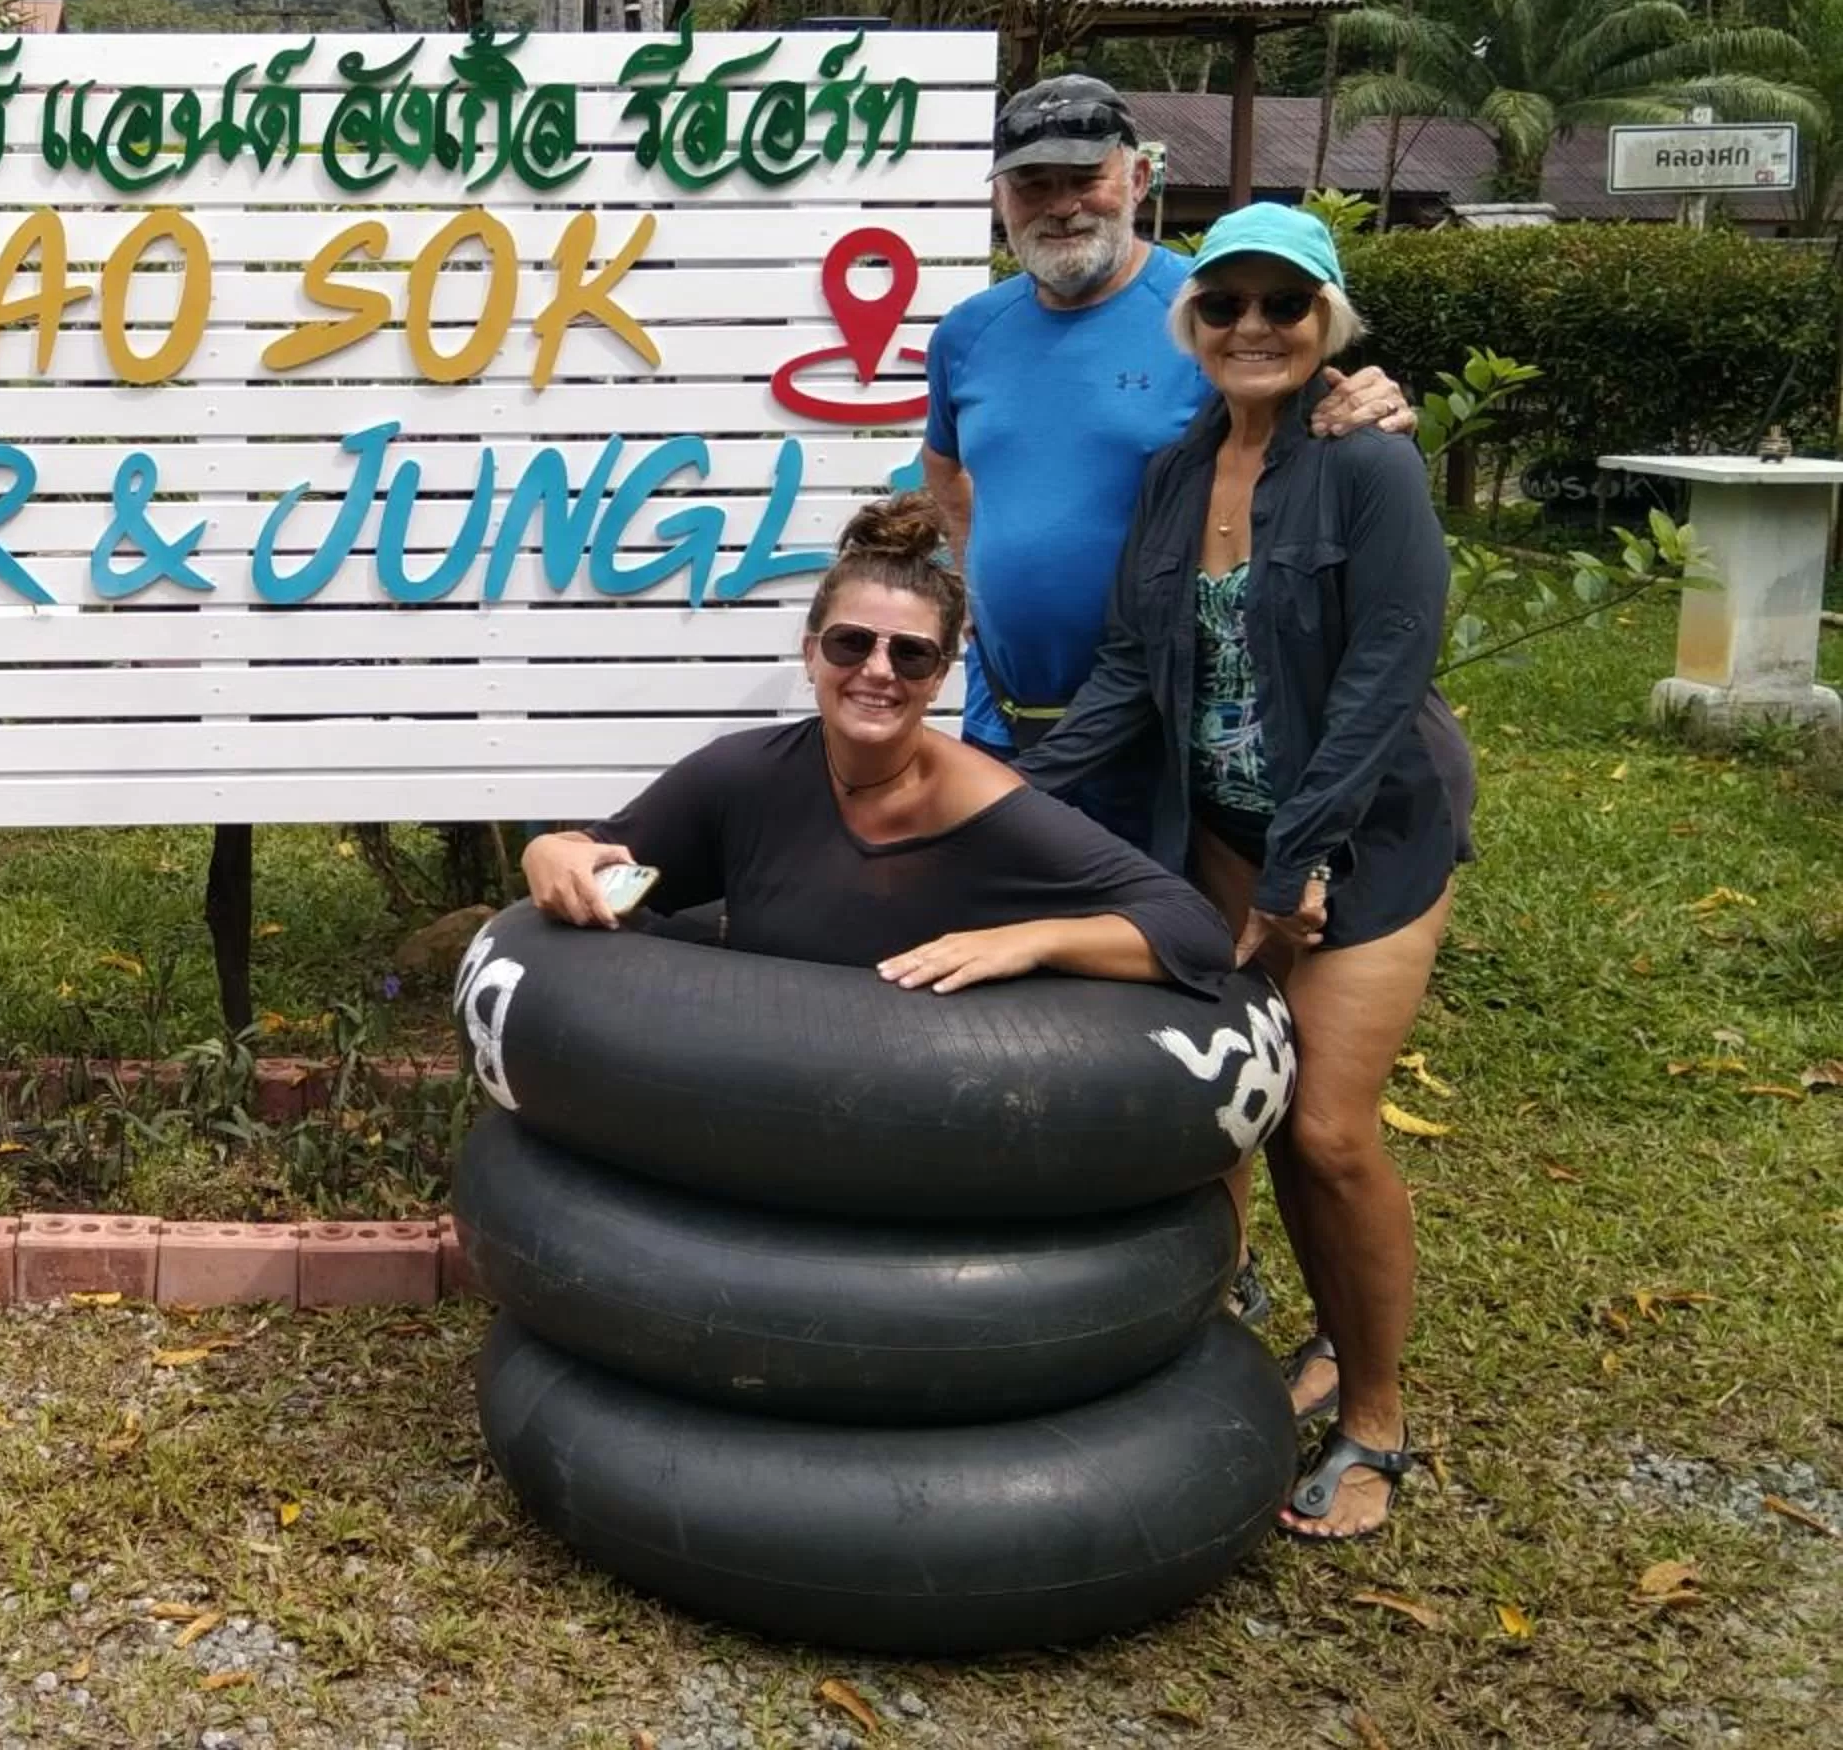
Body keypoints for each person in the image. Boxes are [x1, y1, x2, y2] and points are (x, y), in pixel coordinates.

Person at [1021, 202, 1470, 1543]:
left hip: (1370, 836)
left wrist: (1303, 860)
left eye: (1286, 304)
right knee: (1232, 1109)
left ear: (1328, 321)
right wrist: (999, 805)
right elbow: (1126, 673)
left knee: (1325, 1132)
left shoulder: (1368, 466)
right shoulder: (1174, 475)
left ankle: (1375, 1411)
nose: (1255, 328)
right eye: (1227, 306)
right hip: (1219, 830)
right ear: (1194, 325)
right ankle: (1254, 1341)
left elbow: (1388, 675)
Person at [520, 493, 1238, 1004]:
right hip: (760, 1097)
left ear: (940, 678)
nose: (877, 672)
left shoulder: (984, 806)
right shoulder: (741, 776)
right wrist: (547, 851)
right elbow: (597, 857)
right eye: (851, 643)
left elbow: (1195, 933)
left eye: (912, 656)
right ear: (810, 654)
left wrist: (1030, 939)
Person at [923, 75, 1412, 794]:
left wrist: (1376, 400)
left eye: (1086, 179)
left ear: (1140, 177)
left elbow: (1318, 418)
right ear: (1001, 197)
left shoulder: (1211, 313)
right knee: (1007, 896)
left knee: (1158, 903)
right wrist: (978, 581)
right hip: (1006, 709)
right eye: (1032, 184)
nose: (1061, 206)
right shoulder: (968, 333)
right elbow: (944, 463)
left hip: (1167, 717)